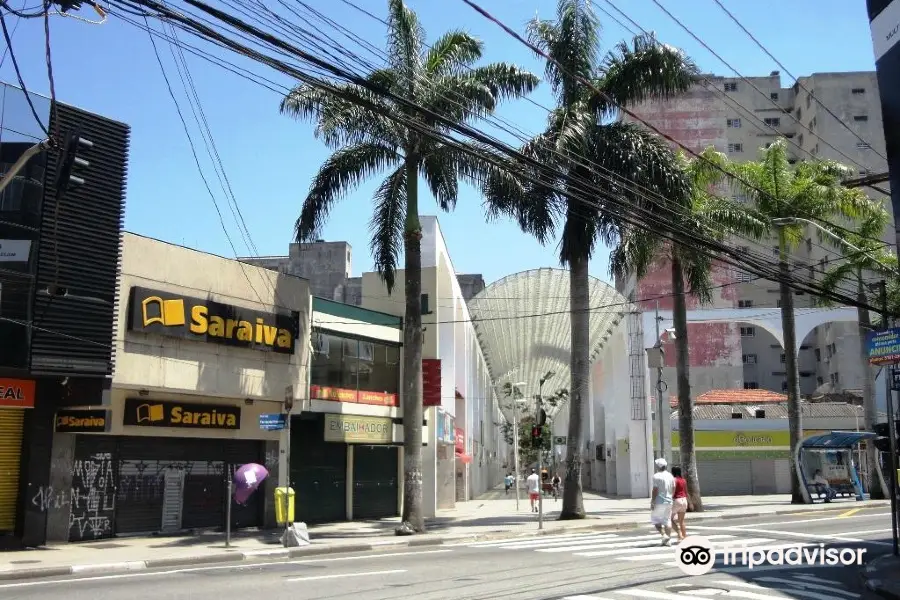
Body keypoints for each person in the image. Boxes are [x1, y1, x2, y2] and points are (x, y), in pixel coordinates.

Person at [650, 458, 675, 545]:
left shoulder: (656, 476)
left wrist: (652, 501)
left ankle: (664, 535)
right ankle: (668, 540)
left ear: (658, 466)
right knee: (667, 521)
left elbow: (655, 490)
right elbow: (673, 488)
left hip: (659, 501)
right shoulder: (670, 476)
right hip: (669, 501)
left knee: (656, 521)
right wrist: (671, 496)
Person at [670, 465, 689, 542]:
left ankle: (679, 534)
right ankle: (684, 537)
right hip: (684, 500)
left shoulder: (674, 480)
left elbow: (673, 491)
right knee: (681, 521)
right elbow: (686, 491)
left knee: (669, 519)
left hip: (677, 500)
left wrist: (670, 498)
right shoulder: (683, 480)